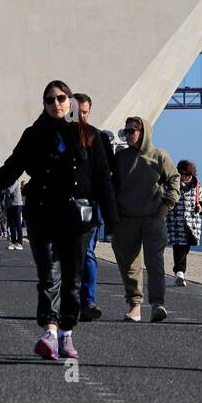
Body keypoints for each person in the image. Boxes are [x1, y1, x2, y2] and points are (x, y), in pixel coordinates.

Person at [0, 81, 116, 361]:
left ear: (71, 101)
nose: (56, 103)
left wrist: (112, 221)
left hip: (78, 217)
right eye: (49, 99)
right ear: (44, 104)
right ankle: (50, 332)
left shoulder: (91, 136)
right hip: (42, 213)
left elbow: (103, 179)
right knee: (48, 275)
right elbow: (11, 169)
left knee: (72, 277)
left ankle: (67, 332)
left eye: (61, 98)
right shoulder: (33, 135)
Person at [111, 116, 180, 323]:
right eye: (126, 130)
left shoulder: (159, 156)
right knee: (129, 264)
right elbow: (112, 184)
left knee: (155, 263)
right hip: (126, 218)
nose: (129, 134)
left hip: (152, 218)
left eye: (133, 131)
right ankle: (135, 305)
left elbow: (174, 179)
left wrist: (167, 205)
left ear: (144, 133)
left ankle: (158, 303)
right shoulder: (120, 157)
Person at [73, 93, 115, 321]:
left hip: (89, 207)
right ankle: (67, 301)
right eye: (77, 111)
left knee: (87, 252)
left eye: (85, 112)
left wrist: (111, 216)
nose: (81, 116)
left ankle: (88, 301)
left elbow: (106, 175)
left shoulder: (98, 138)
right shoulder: (58, 136)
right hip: (63, 207)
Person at [165, 159, 202, 286]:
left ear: (192, 175)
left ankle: (179, 272)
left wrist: (201, 208)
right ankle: (179, 273)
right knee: (179, 247)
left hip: (192, 224)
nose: (184, 177)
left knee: (185, 248)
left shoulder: (197, 186)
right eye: (181, 174)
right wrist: (168, 205)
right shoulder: (172, 184)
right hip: (176, 222)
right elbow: (165, 198)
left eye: (187, 175)